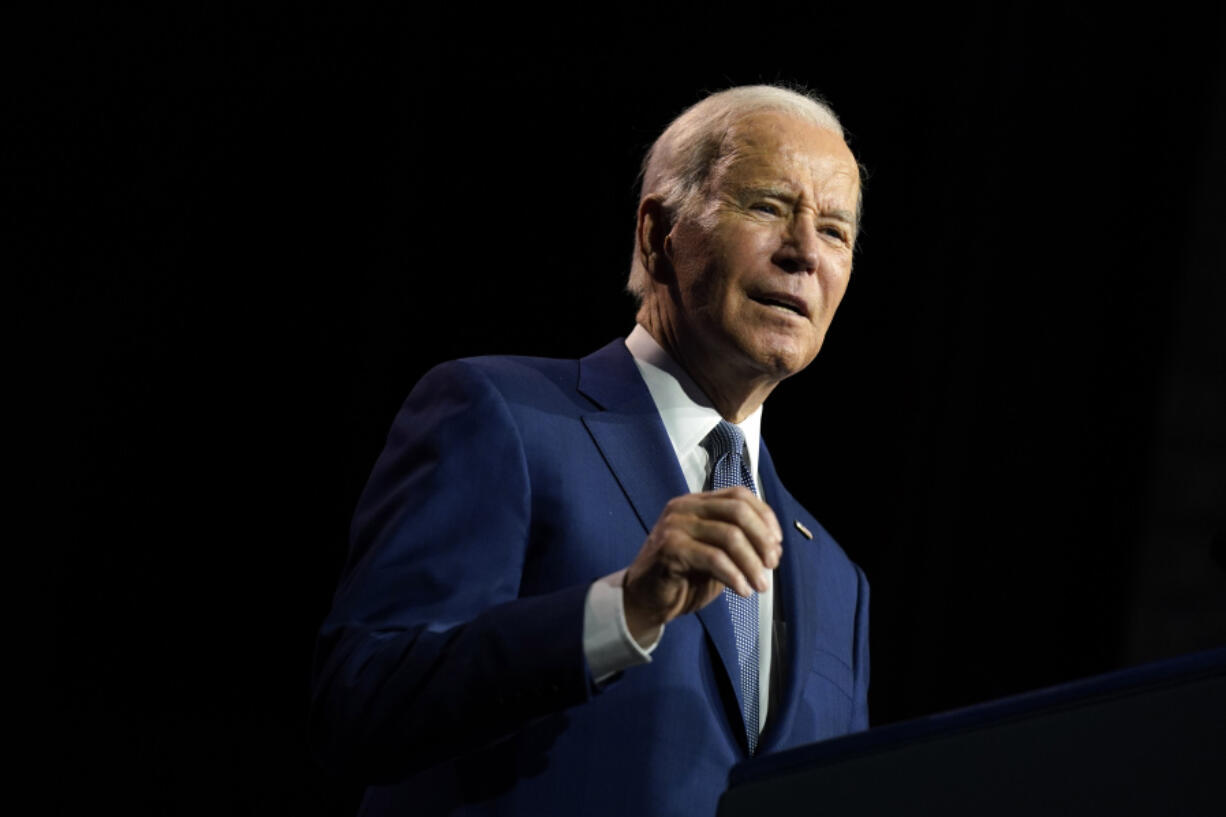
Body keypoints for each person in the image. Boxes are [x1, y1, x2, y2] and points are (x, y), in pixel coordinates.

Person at [311, 84, 870, 817]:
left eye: (835, 230)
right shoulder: (499, 415)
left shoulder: (836, 576)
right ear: (656, 233)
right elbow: (362, 701)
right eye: (768, 206)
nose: (804, 252)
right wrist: (624, 611)